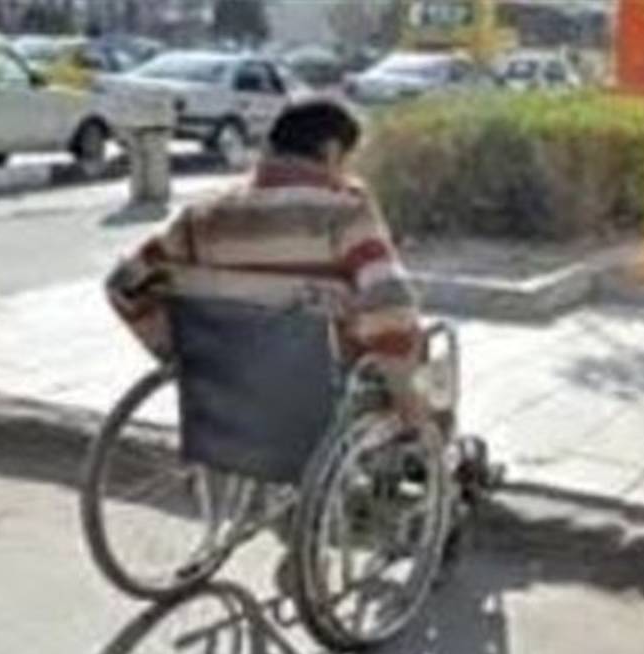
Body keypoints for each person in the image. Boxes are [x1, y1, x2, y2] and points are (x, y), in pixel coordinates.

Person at [105, 99, 427, 427]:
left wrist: (179, 354)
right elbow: (388, 302)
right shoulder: (343, 212)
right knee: (420, 348)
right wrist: (404, 390)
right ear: (331, 151)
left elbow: (124, 284)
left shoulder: (201, 216)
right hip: (324, 395)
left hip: (227, 388)